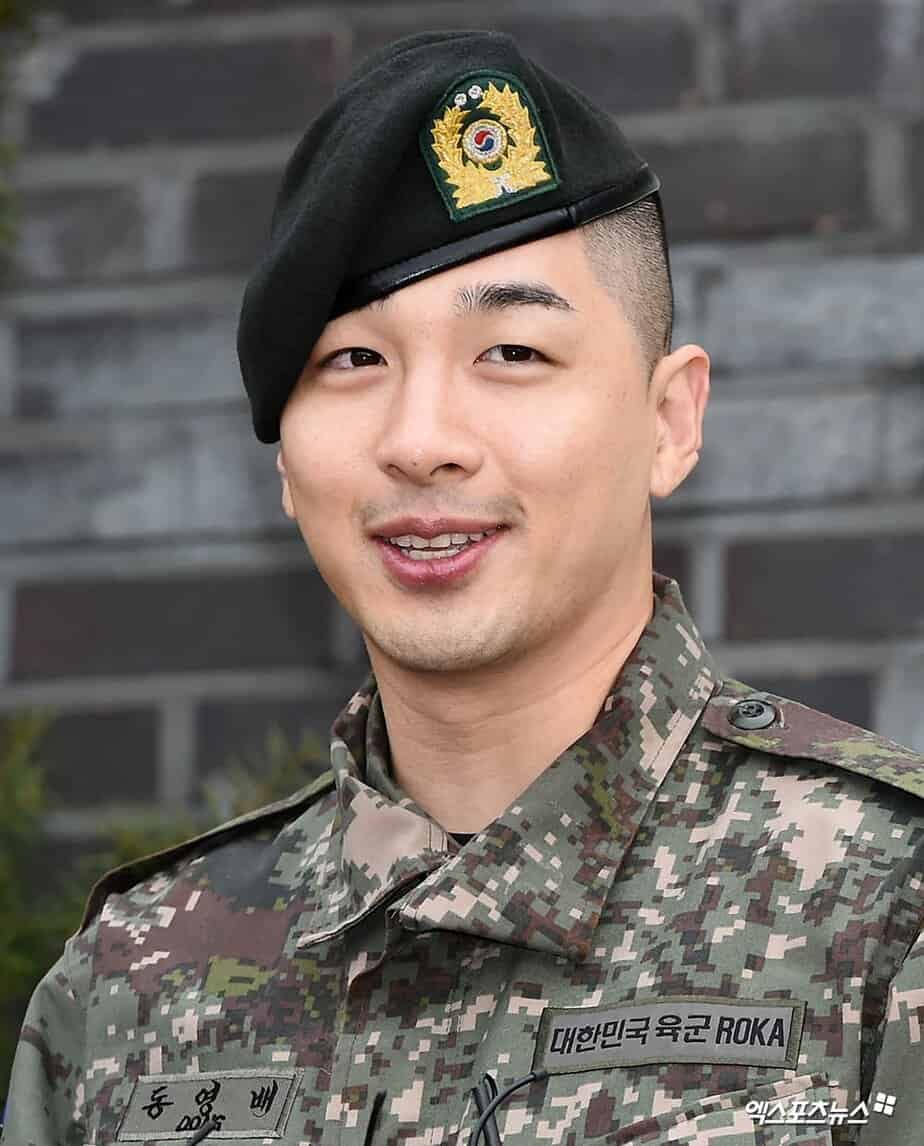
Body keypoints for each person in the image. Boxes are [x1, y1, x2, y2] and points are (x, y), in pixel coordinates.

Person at [3, 28, 924, 1146]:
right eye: (353, 361)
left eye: (512, 353)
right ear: (285, 464)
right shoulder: (132, 984)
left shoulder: (885, 906)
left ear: (669, 421)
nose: (421, 440)